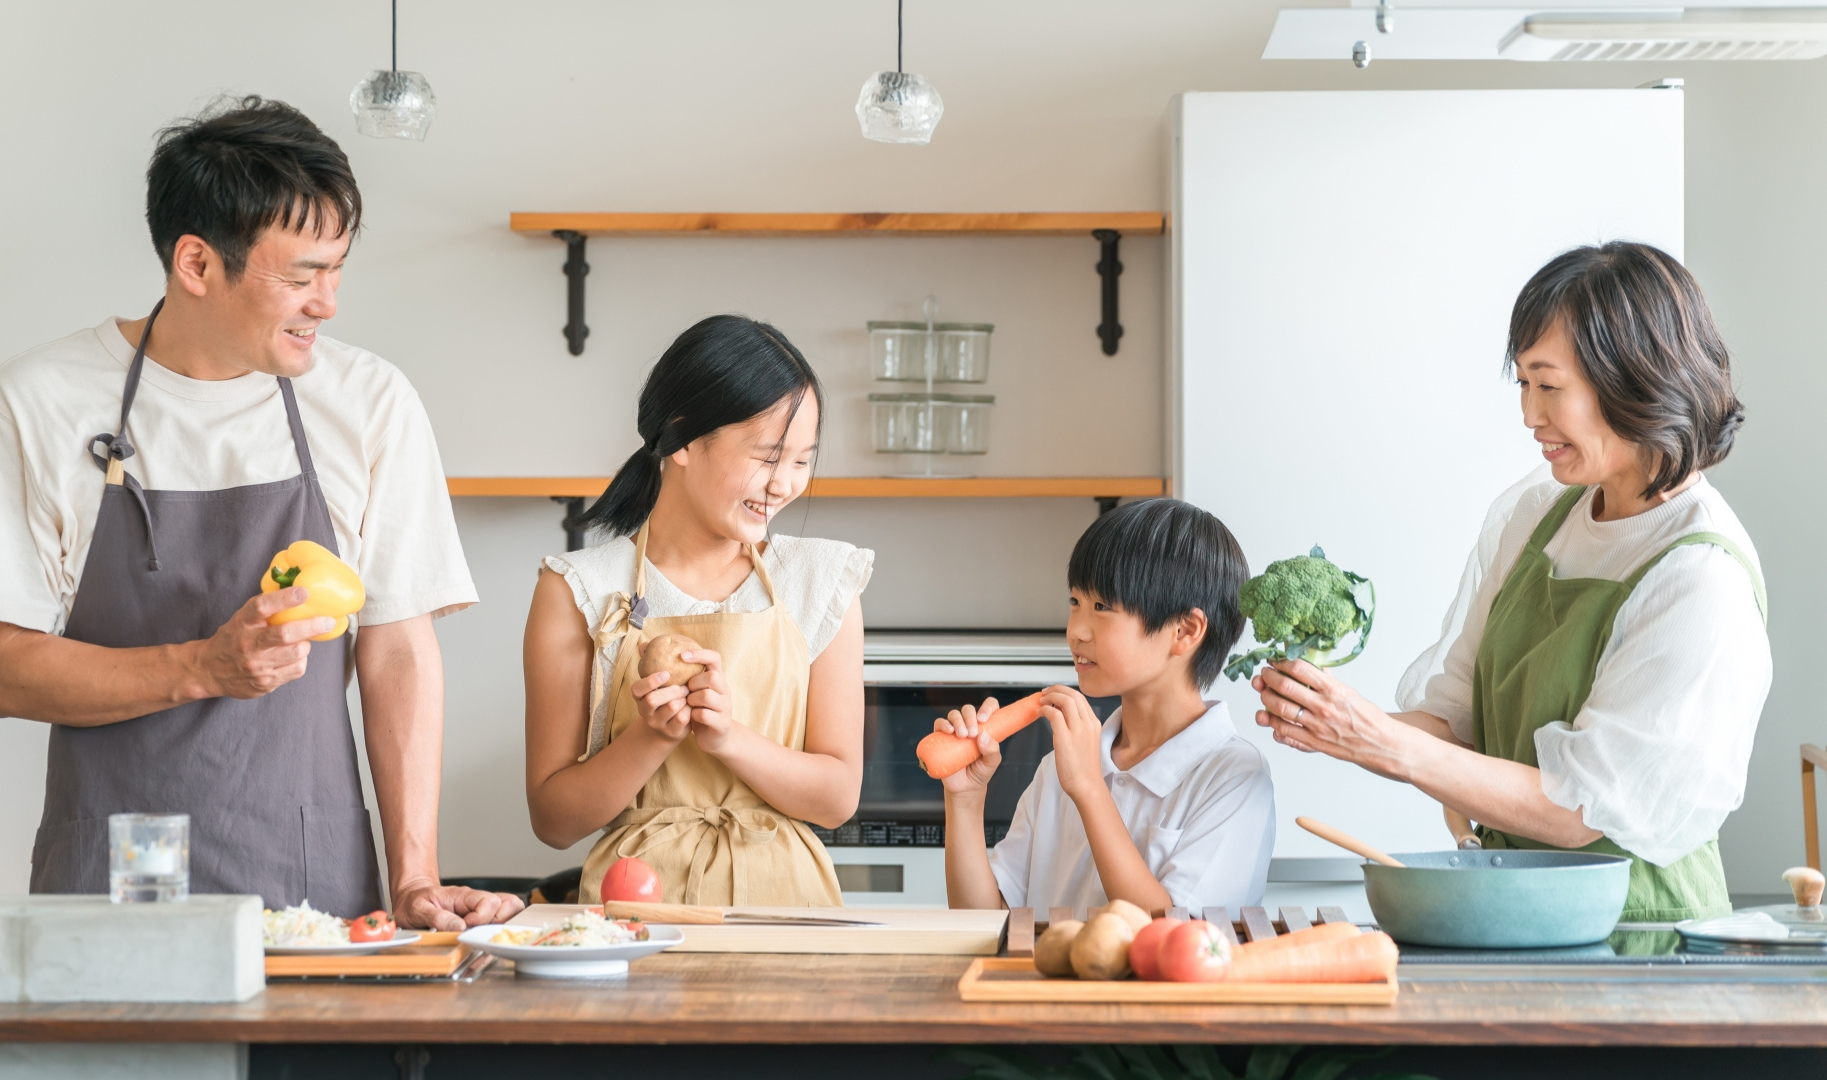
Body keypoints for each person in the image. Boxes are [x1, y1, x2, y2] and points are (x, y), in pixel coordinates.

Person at [0, 97, 520, 929]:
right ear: (197, 264)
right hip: (106, 894)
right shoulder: (38, 401)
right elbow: (1, 669)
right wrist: (204, 667)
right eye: (302, 274)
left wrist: (415, 876)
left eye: (338, 268)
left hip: (314, 893)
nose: (328, 303)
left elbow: (396, 650)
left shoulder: (371, 402)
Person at [1252, 241, 1768, 922]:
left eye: (1549, 386)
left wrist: (1376, 739)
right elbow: (1457, 724)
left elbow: (1579, 807)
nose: (1530, 416)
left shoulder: (1700, 576)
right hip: (1511, 906)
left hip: (1638, 941)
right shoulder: (1538, 513)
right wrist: (1339, 725)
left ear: (1636, 380)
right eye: (1523, 384)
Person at [523, 315, 872, 905]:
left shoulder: (821, 581)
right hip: (634, 916)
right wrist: (650, 739)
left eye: (801, 461)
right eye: (768, 457)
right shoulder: (580, 588)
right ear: (683, 438)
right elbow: (553, 821)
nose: (785, 484)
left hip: (788, 913)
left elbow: (837, 799)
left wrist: (729, 738)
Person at [939, 499, 1275, 914]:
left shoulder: (1236, 779)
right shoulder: (1059, 768)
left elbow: (1174, 939)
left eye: (1102, 608)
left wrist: (1089, 787)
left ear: (1184, 631)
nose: (1076, 631)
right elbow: (983, 920)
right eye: (1075, 602)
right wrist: (966, 801)